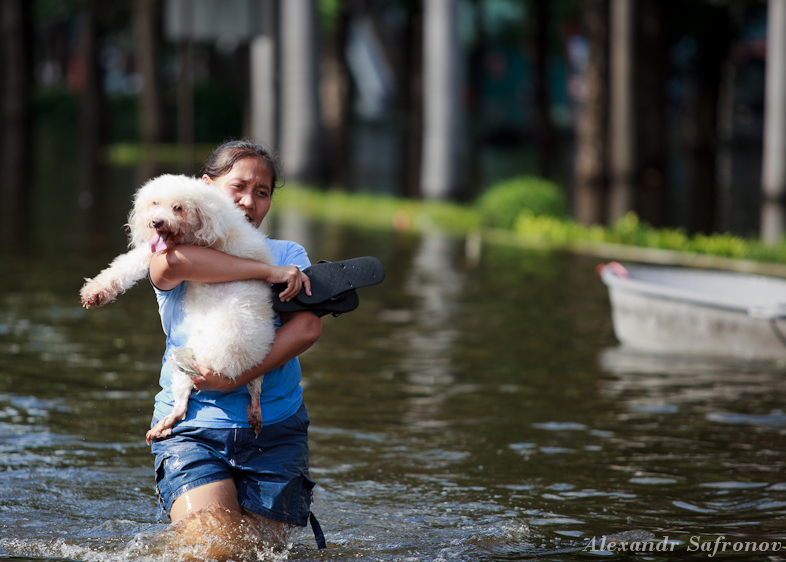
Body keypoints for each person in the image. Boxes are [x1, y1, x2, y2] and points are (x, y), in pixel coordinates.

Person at [147, 140, 324, 550]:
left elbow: (307, 328)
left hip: (276, 431)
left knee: (261, 556)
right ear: (205, 187)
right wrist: (266, 271)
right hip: (193, 429)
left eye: (262, 193)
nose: (248, 201)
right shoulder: (171, 247)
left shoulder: (289, 254)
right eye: (237, 187)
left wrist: (234, 380)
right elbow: (172, 267)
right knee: (214, 550)